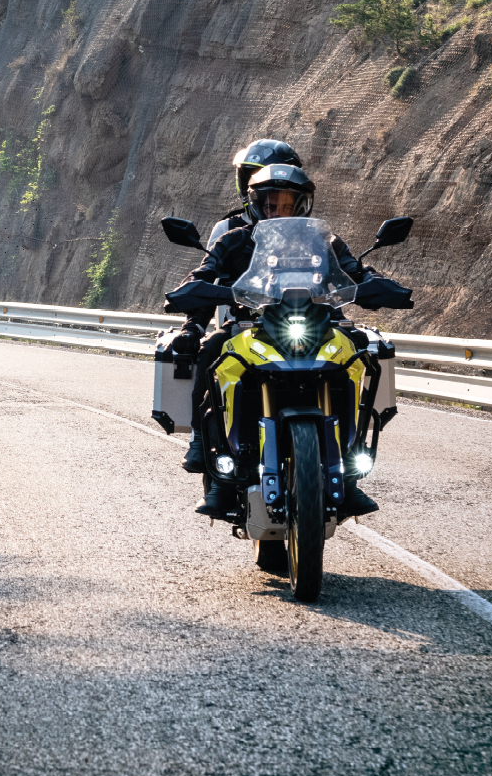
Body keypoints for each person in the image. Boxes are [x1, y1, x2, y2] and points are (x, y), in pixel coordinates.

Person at [165, 162, 411, 521]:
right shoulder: (233, 240)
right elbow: (204, 273)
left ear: (301, 205)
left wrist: (380, 285)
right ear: (255, 204)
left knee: (357, 350)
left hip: (314, 324)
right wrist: (190, 303)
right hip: (252, 325)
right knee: (213, 350)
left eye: (285, 204)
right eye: (269, 204)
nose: (277, 211)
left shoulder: (325, 242)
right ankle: (209, 458)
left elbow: (356, 272)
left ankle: (349, 475)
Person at [168, 139, 306, 473]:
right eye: (255, 176)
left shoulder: (309, 232)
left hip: (300, 324)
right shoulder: (230, 230)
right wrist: (193, 326)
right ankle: (201, 442)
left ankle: (347, 464)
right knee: (209, 352)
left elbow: (335, 276)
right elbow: (207, 278)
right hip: (245, 325)